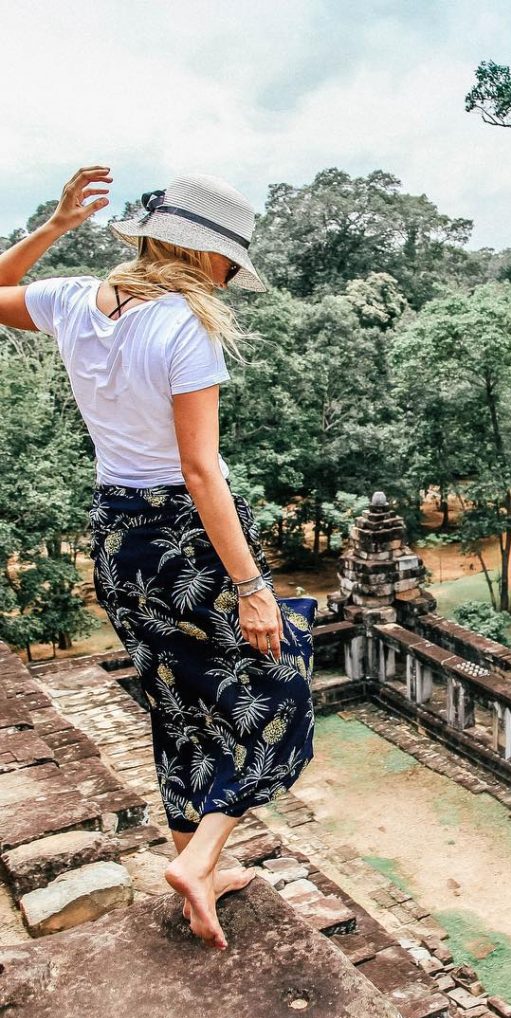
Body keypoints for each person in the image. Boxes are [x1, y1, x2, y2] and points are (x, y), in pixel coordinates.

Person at [0, 166, 316, 951]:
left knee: (178, 701)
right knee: (283, 684)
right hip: (189, 536)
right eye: (233, 264)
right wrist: (250, 586)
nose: (234, 280)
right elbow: (203, 471)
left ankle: (195, 868)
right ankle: (203, 854)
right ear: (208, 256)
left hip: (116, 539)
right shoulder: (185, 326)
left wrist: (54, 228)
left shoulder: (76, 298)